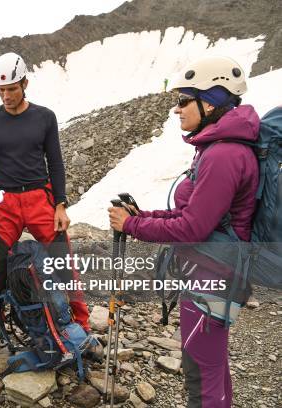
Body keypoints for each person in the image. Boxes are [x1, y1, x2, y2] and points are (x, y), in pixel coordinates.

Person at [109, 55, 258, 408]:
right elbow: (191, 213)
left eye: (183, 100)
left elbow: (193, 227)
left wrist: (132, 225)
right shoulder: (217, 148)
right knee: (211, 368)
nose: (177, 109)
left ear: (211, 101)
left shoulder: (224, 155)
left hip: (212, 276)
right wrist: (144, 215)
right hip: (212, 272)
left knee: (201, 375)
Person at [0, 52, 90, 363]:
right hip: (5, 202)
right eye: (1, 90)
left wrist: (60, 204)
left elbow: (57, 163)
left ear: (25, 83)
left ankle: (81, 324)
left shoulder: (44, 117)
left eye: (12, 89)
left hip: (40, 198)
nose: (7, 96)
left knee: (64, 265)